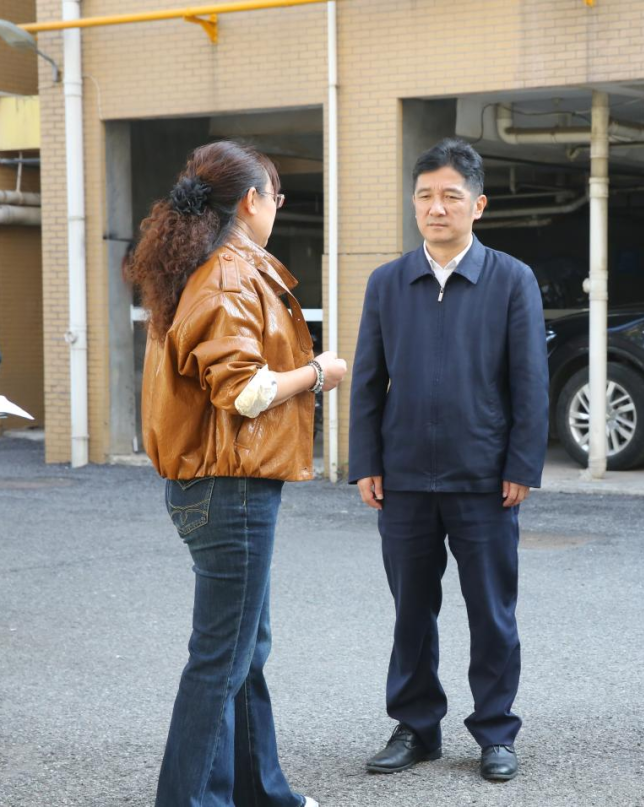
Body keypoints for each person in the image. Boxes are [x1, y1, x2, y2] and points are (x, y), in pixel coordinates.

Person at [129, 140, 347, 806]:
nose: (277, 208)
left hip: (217, 484)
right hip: (231, 489)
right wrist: (319, 373)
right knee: (221, 658)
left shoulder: (205, 269)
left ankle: (260, 791)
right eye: (276, 197)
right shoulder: (228, 275)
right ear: (252, 200)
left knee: (242, 650)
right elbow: (245, 391)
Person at [349, 138, 548, 782]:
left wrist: (520, 465)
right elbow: (368, 380)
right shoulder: (388, 282)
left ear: (477, 205)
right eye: (425, 196)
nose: (437, 208)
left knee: (491, 612)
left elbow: (530, 381)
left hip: (484, 479)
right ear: (414, 204)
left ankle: (495, 731)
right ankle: (416, 727)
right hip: (404, 476)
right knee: (411, 611)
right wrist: (366, 461)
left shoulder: (511, 280)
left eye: (451, 197)